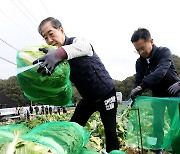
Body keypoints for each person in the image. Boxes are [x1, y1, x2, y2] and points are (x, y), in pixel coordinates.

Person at [33, 17, 119, 153]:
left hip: (106, 94)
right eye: (45, 38)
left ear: (61, 30)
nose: (49, 40)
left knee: (110, 133)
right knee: (72, 129)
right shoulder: (57, 59)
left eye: (51, 34)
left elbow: (86, 47)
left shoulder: (76, 42)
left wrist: (58, 54)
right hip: (88, 99)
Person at [130, 28, 180, 154]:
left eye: (142, 48)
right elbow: (138, 78)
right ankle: (158, 149)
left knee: (176, 124)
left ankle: (176, 148)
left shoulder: (164, 52)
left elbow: (160, 72)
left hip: (173, 92)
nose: (141, 52)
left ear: (151, 41)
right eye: (137, 50)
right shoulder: (139, 62)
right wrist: (135, 92)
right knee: (157, 123)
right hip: (157, 96)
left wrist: (141, 86)